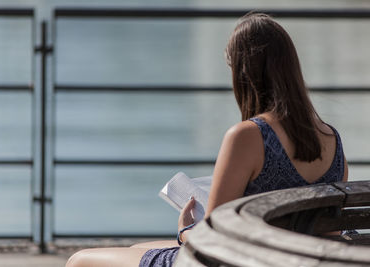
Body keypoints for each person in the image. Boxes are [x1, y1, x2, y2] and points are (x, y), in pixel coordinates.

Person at [66, 12, 348, 267]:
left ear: (243, 73)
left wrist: (186, 230)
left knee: (80, 261)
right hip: (294, 261)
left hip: (238, 261)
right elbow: (330, 232)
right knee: (138, 248)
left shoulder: (249, 136)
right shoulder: (331, 139)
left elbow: (213, 242)